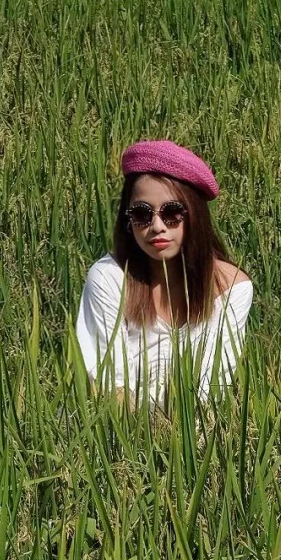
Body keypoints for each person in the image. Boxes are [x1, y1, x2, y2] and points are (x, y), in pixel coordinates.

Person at [75, 139, 252, 409]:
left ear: (195, 215)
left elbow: (212, 385)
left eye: (171, 212)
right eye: (142, 214)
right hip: (119, 428)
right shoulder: (109, 278)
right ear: (127, 219)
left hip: (196, 428)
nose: (157, 226)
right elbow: (109, 383)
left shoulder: (231, 288)